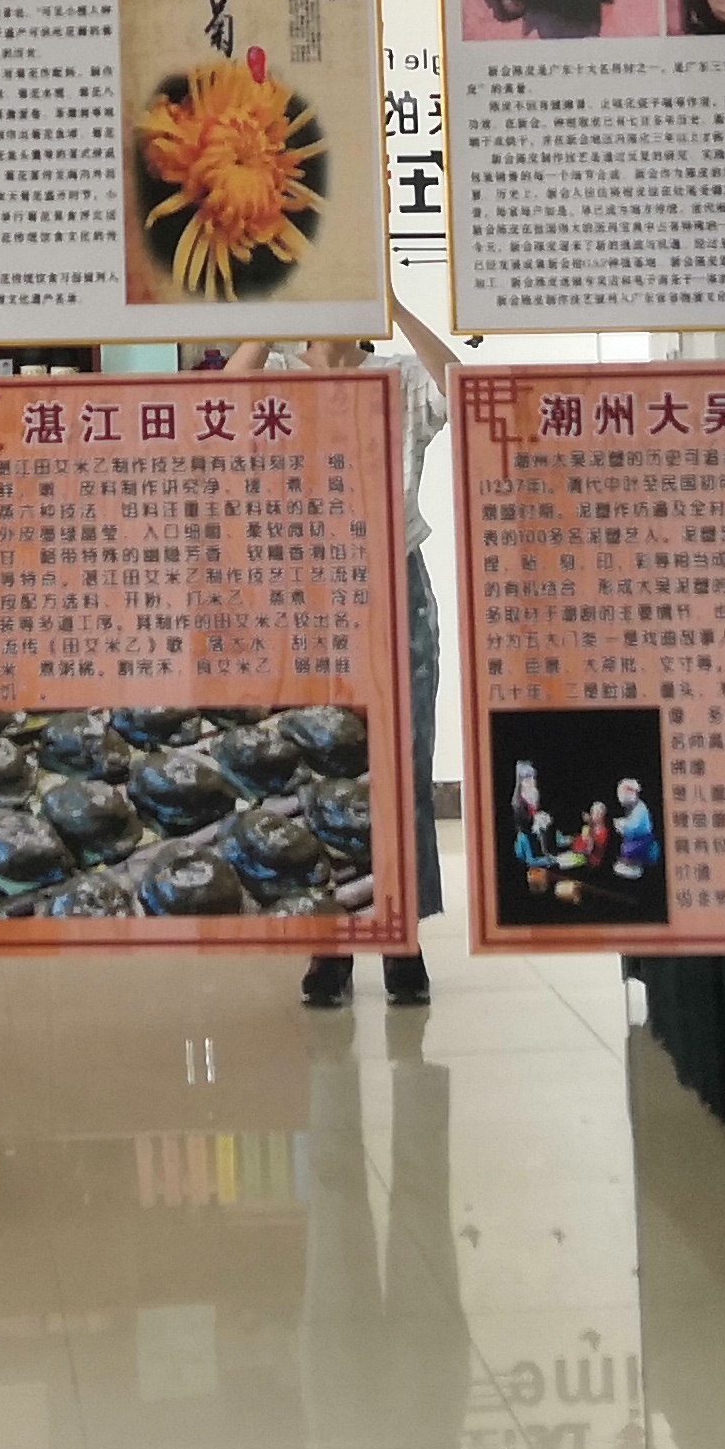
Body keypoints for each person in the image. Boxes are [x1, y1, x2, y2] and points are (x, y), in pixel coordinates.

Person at [248, 311, 445, 1012]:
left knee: (402, 765)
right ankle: (327, 940)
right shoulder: (274, 374)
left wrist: (392, 304)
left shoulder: (401, 377)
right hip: (302, 587)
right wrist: (276, 312)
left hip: (393, 580)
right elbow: (215, 402)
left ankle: (401, 936)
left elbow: (464, 390)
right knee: (312, 767)